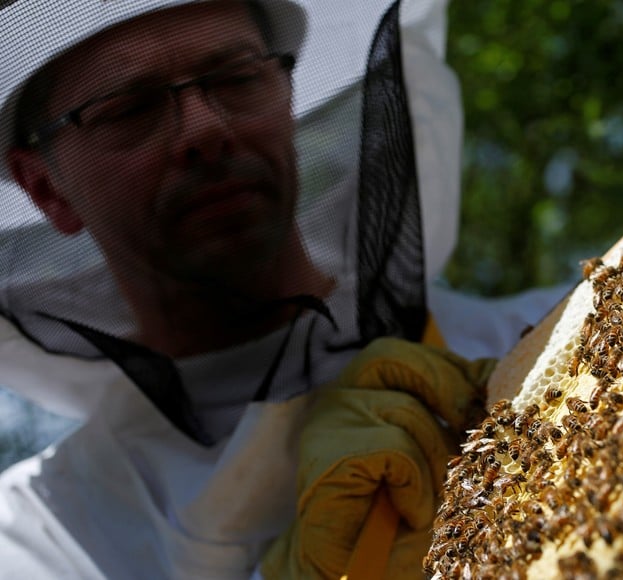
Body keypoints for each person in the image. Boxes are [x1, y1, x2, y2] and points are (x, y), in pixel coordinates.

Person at [0, 0, 567, 577]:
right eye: (129, 109)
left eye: (238, 76)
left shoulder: (558, 333)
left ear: (284, 92)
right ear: (47, 189)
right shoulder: (42, 539)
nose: (204, 128)